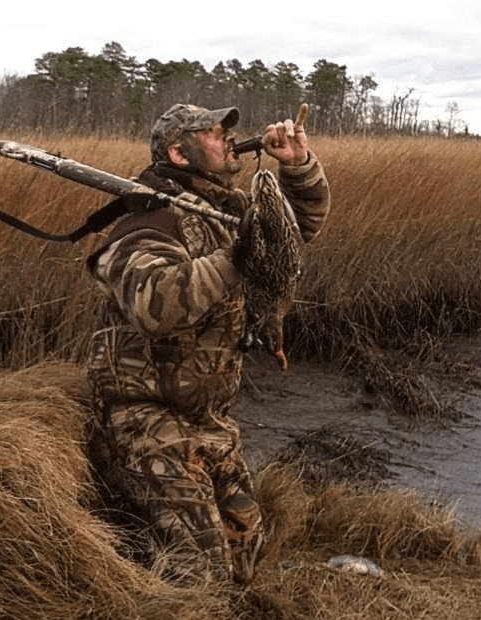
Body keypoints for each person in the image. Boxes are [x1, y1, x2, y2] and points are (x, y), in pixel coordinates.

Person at [86, 102, 331, 585]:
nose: (229, 139)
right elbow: (155, 305)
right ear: (179, 153)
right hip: (146, 419)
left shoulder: (227, 209)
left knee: (246, 558)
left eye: (226, 132)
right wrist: (239, 258)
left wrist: (298, 165)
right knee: (199, 572)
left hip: (211, 420)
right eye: (216, 133)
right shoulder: (148, 219)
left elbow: (298, 230)